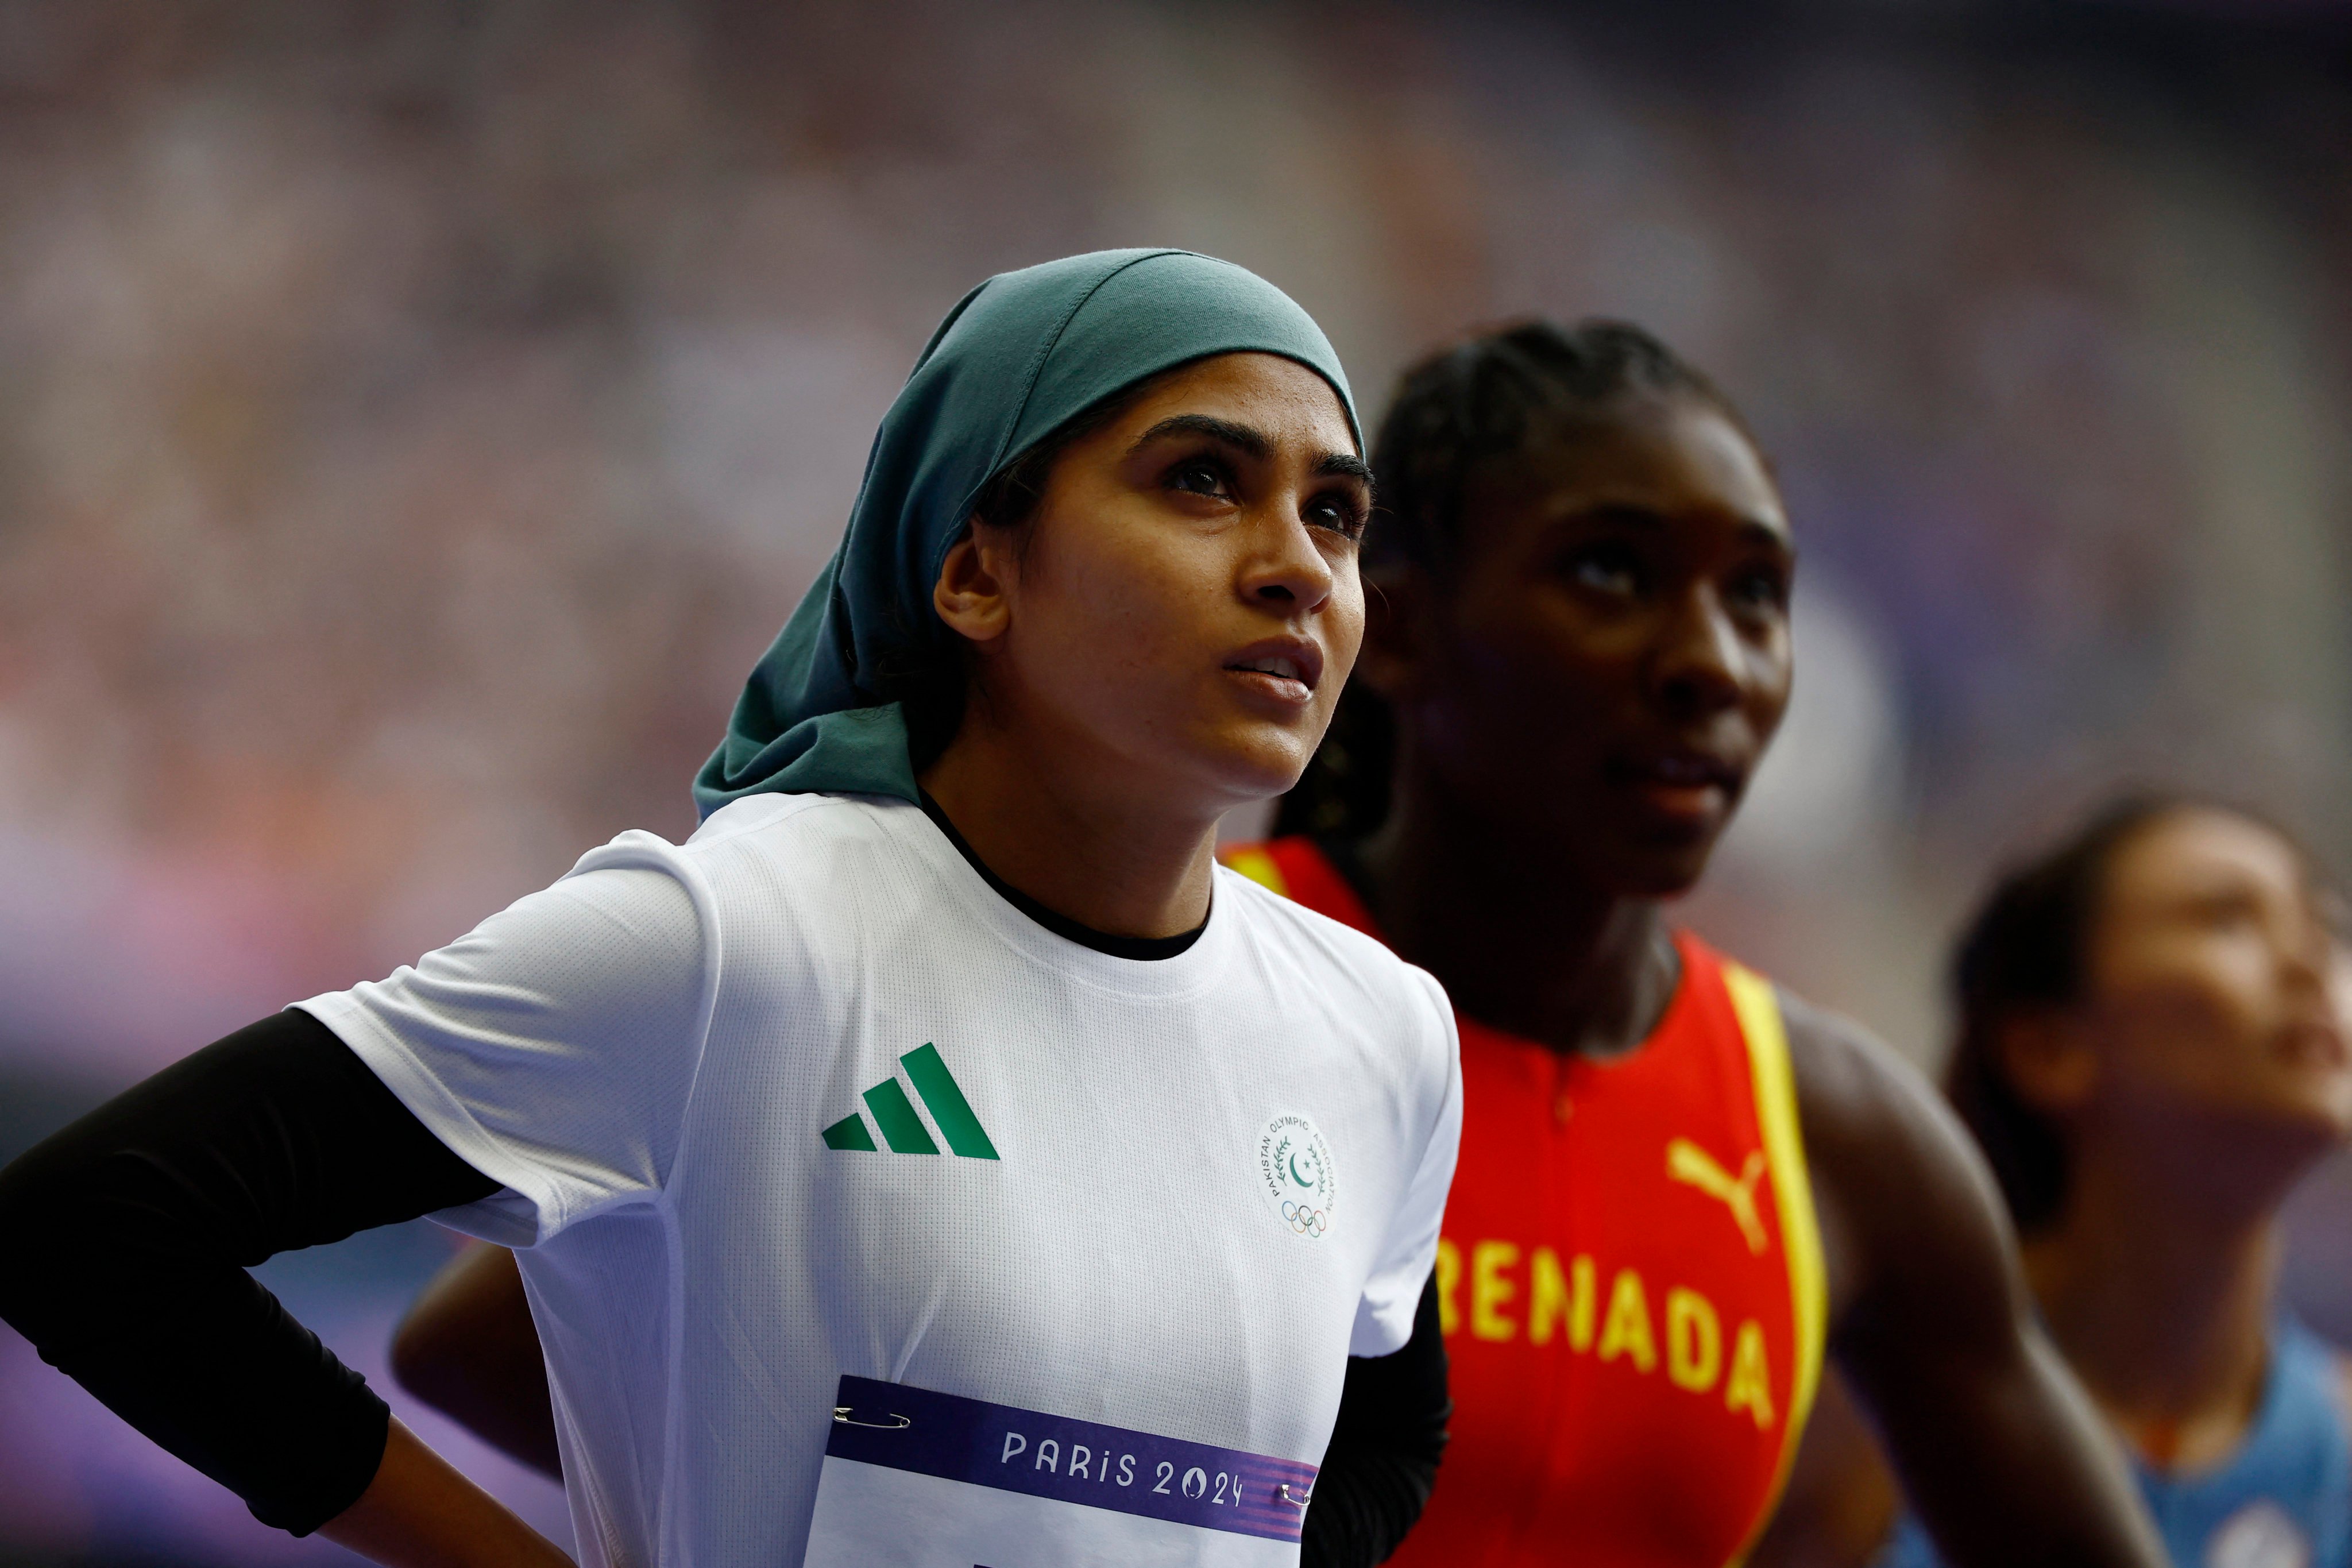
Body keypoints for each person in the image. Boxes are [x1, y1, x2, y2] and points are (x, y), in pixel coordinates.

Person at [0, 249, 1463, 1567]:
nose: (1296, 567)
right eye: (1201, 479)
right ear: (971, 571)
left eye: (1334, 514)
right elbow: (94, 1227)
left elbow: (1387, 1441)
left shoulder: (1378, 1029)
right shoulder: (739, 942)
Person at [1219, 320, 2168, 1566]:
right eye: (1610, 573)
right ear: (1389, 626)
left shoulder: (1839, 1141)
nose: (1710, 665)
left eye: (1755, 596)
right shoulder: (1174, 971)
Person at [1754, 797, 2352, 1568]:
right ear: (2048, 1049)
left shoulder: (2337, 1449)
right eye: (2226, 918)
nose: (2311, 962)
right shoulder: (1850, 1423)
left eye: (2328, 924)